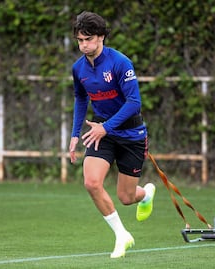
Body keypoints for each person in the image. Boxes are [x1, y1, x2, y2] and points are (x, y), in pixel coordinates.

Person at [69, 11, 156, 259]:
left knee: (127, 197)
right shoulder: (78, 68)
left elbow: (134, 102)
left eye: (89, 39)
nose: (84, 45)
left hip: (131, 134)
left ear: (102, 37)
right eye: (80, 40)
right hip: (101, 132)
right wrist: (75, 134)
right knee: (91, 182)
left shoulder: (120, 63)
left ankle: (146, 193)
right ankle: (122, 235)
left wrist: (107, 126)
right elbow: (80, 97)